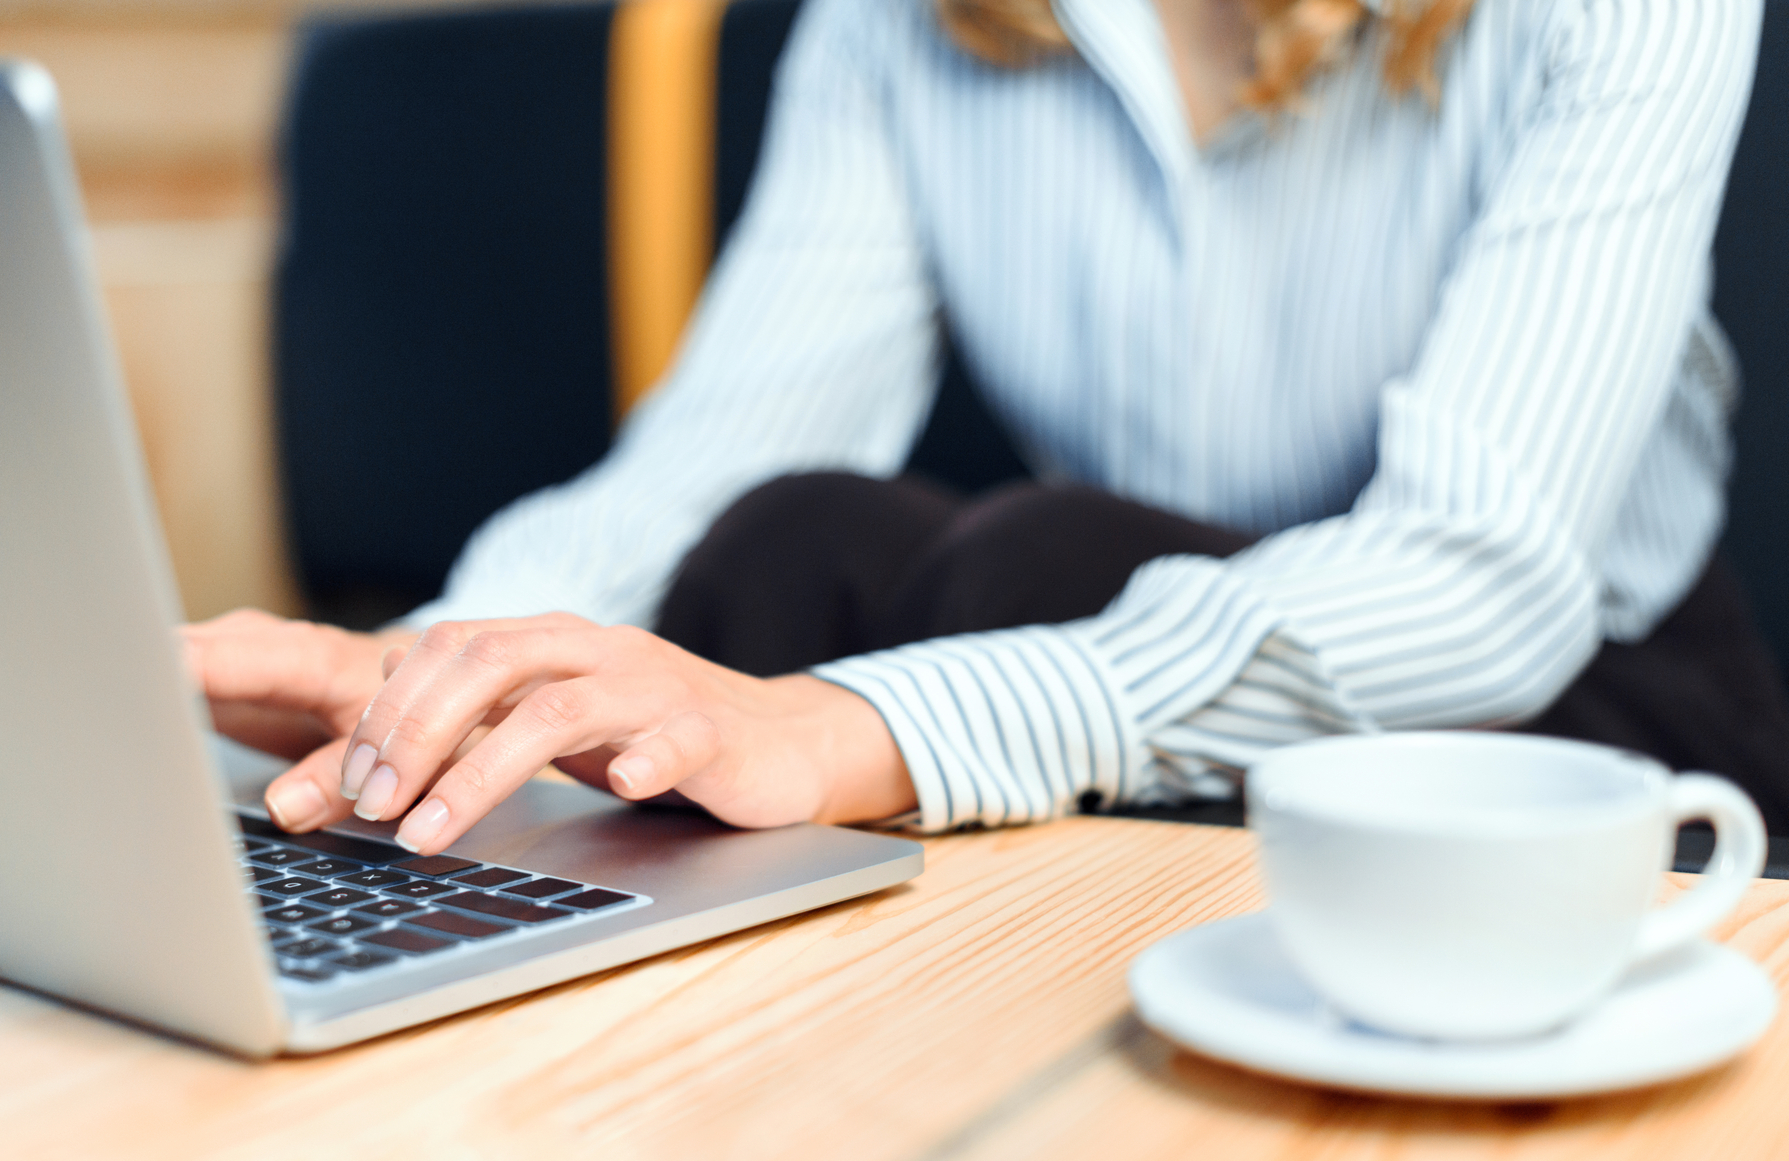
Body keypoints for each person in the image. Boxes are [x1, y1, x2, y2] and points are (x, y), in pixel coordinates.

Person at [188, 0, 1787, 858]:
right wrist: (444, 679)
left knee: (1037, 555)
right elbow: (719, 451)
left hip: (1594, 735)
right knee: (796, 532)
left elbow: (1476, 584)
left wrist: (852, 731)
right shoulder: (901, 24)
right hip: (1149, 694)